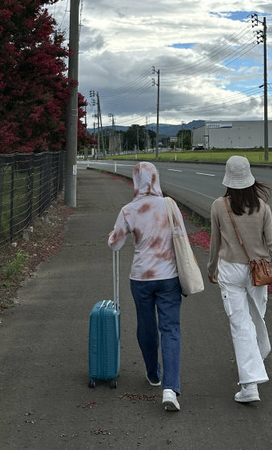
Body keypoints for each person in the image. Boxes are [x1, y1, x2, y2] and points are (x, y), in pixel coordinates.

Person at [207, 155, 272, 404]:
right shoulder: (262, 207)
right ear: (249, 178)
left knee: (240, 325)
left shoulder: (218, 206)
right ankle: (257, 360)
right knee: (256, 318)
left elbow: (215, 242)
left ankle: (250, 386)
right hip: (259, 271)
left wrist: (211, 268)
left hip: (230, 269)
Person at [108, 161, 184, 412]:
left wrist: (115, 234)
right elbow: (181, 237)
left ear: (136, 181)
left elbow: (115, 244)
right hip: (169, 276)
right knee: (170, 328)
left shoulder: (128, 210)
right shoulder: (169, 205)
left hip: (141, 278)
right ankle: (170, 389)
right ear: (156, 178)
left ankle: (154, 374)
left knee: (146, 325)